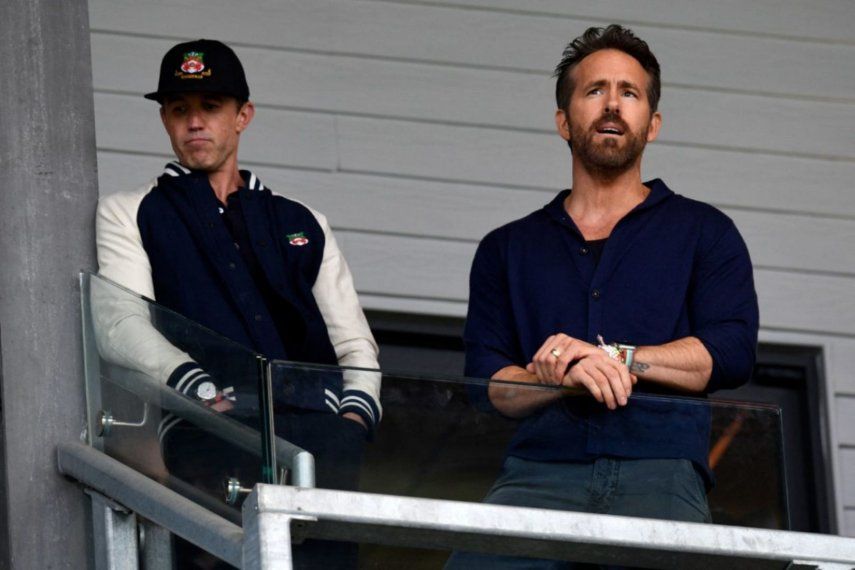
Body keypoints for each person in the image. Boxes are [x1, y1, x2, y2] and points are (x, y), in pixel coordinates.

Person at [447, 24, 759, 568]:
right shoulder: (507, 248)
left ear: (652, 124)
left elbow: (730, 352)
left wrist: (617, 358)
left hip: (659, 475)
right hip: (537, 477)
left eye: (629, 93)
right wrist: (558, 374)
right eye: (595, 91)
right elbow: (487, 383)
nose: (612, 104)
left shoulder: (705, 231)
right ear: (563, 121)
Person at [94, 39, 380, 568]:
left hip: (320, 436)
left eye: (210, 107)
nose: (194, 122)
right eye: (179, 110)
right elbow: (118, 325)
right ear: (164, 120)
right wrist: (196, 388)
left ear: (243, 115)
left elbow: (354, 341)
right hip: (211, 431)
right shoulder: (130, 211)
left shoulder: (301, 220)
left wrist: (353, 420)